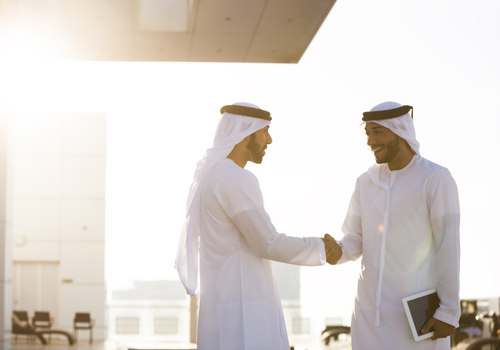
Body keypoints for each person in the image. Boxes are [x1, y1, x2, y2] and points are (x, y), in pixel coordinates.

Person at [175, 102, 342, 350]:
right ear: (246, 133)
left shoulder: (218, 175)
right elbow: (267, 243)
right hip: (242, 310)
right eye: (265, 131)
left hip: (230, 303)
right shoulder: (233, 177)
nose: (269, 140)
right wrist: (321, 248)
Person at [335, 101, 460, 350]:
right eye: (368, 133)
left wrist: (449, 311)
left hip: (417, 319)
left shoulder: (435, 178)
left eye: (377, 132)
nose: (370, 141)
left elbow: (448, 247)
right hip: (369, 317)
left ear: (400, 132)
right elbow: (355, 238)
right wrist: (336, 250)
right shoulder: (365, 182)